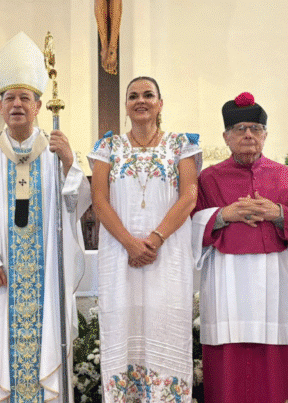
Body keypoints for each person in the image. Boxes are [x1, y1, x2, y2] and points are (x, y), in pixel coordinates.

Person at [0, 31, 91, 403]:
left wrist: (69, 165)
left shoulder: (55, 149)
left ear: (39, 106)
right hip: (0, 279)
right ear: (0, 107)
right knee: (0, 354)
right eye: (9, 98)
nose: (16, 104)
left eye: (24, 98)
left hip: (44, 276)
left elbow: (76, 205)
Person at [191, 92, 288, 402]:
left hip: (279, 281)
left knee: (278, 362)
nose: (248, 135)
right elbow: (187, 227)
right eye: (240, 129)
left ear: (265, 135)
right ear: (226, 137)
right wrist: (221, 216)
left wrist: (280, 214)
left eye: (255, 129)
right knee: (231, 364)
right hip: (226, 282)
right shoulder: (207, 179)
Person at [88, 76, 201, 402]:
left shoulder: (182, 144)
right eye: (134, 96)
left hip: (167, 256)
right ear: (126, 105)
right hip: (120, 255)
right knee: (122, 326)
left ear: (160, 103)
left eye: (148, 95)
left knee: (165, 324)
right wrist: (129, 243)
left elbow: (189, 196)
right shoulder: (107, 147)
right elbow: (99, 200)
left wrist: (155, 238)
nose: (141, 101)